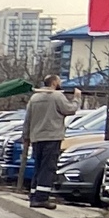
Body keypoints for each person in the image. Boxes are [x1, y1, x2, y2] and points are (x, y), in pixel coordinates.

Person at [22, 74, 73, 207]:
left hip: (36, 138)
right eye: (59, 81)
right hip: (52, 137)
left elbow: (27, 119)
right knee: (48, 168)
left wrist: (26, 137)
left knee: (38, 166)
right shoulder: (57, 96)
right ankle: (42, 198)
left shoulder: (34, 98)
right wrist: (77, 99)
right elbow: (69, 109)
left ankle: (34, 195)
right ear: (54, 83)